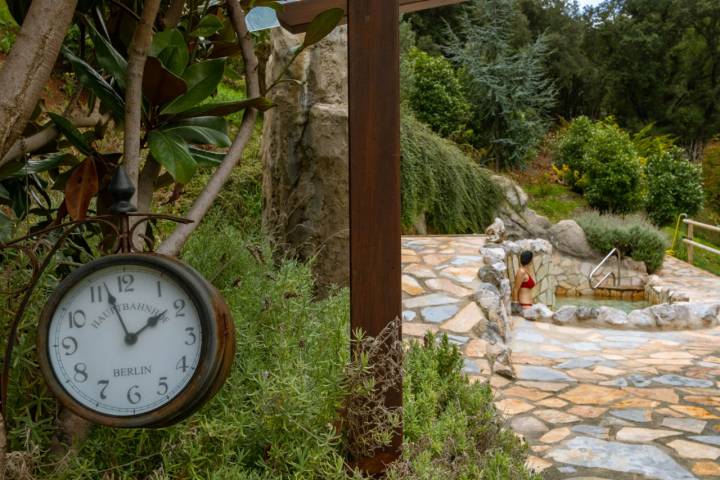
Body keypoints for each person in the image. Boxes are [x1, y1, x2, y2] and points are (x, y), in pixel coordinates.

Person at [512, 250, 535, 315]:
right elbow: (515, 289)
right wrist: (515, 306)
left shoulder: (525, 271)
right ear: (530, 260)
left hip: (528, 305)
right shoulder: (521, 272)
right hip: (524, 306)